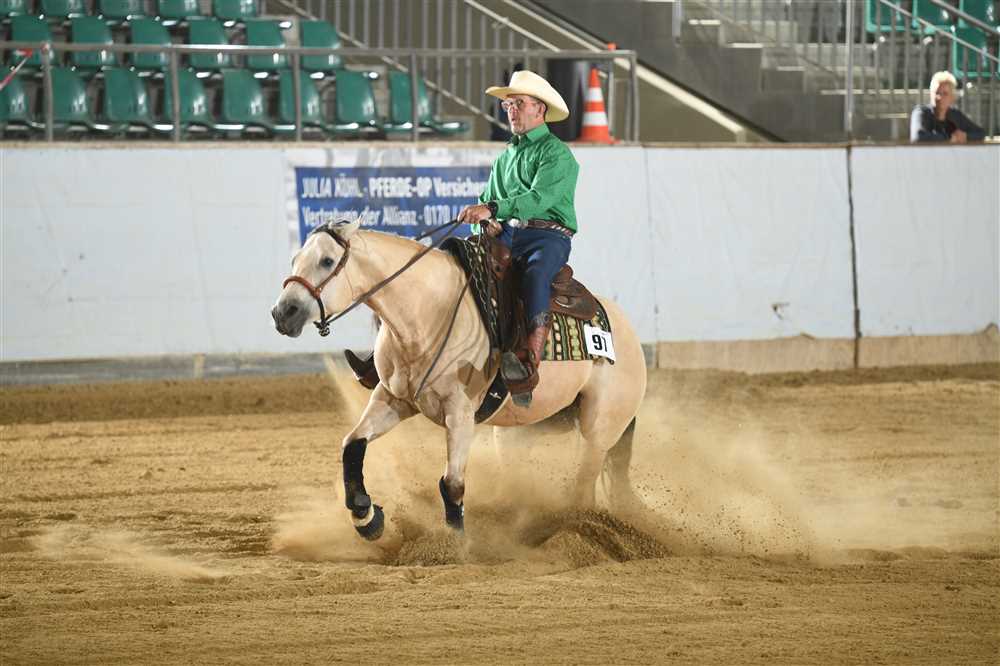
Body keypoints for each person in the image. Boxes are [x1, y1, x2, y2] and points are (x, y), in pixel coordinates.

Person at [456, 69, 579, 407]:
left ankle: (528, 362)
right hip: (509, 233)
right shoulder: (505, 157)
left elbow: (539, 199)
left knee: (536, 273)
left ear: (540, 109)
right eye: (508, 105)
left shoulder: (557, 154)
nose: (511, 110)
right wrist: (484, 224)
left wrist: (494, 209)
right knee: (458, 263)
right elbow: (487, 202)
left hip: (547, 236)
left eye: (519, 103)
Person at [910, 71, 986, 143]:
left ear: (952, 97)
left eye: (945, 93)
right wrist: (950, 138)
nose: (940, 97)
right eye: (937, 93)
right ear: (931, 94)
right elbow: (917, 137)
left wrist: (965, 136)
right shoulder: (920, 112)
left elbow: (980, 133)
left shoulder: (955, 115)